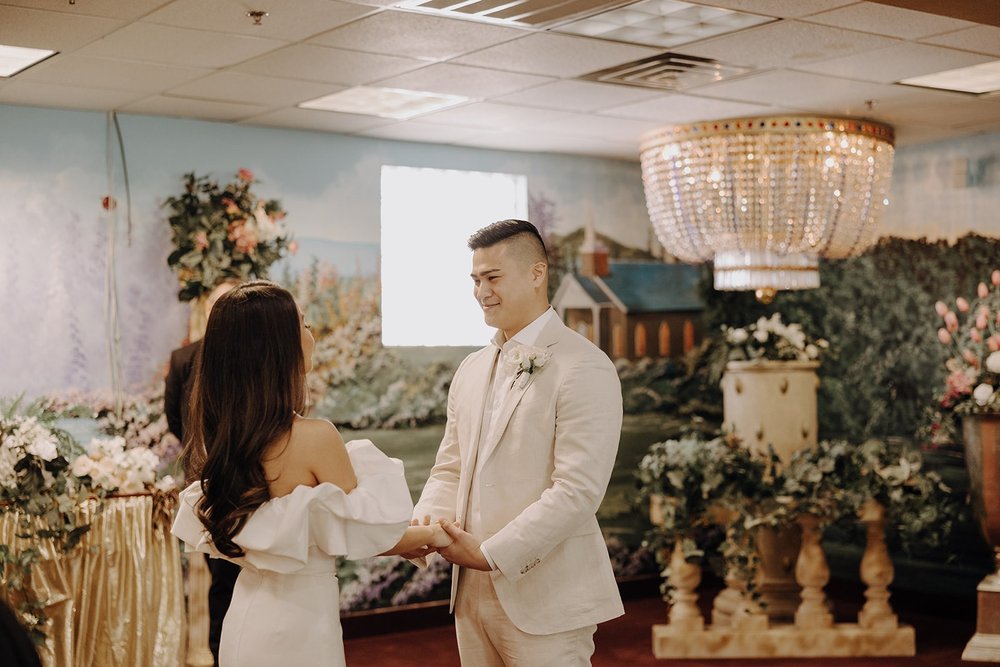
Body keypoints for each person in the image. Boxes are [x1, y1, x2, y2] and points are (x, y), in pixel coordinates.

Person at [171, 280, 451, 667]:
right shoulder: (315, 438)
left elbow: (329, 529)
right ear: (279, 346)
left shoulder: (224, 439)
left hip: (247, 619)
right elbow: (363, 531)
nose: (312, 334)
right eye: (303, 324)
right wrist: (436, 534)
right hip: (300, 628)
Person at [405, 220, 625, 665]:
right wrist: (426, 526)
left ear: (537, 273)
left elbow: (577, 490)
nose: (481, 291)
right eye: (475, 280)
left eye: (492, 278)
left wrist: (492, 554)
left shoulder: (584, 366)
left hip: (548, 594)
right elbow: (450, 466)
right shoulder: (470, 368)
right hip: (469, 593)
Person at [163, 277, 240, 666]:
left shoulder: (252, 357)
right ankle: (217, 653)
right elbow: (178, 421)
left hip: (253, 481)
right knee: (219, 576)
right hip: (207, 481)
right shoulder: (185, 359)